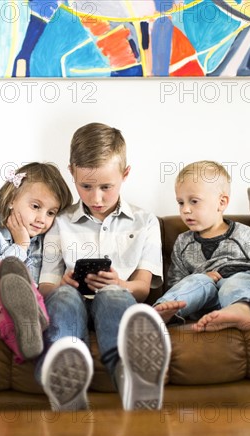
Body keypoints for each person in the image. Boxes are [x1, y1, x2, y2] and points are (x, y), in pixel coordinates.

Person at [36, 122, 175, 412]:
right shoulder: (59, 222)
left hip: (115, 302)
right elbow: (46, 287)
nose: (96, 198)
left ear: (125, 175)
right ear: (72, 172)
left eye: (106, 187)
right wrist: (63, 283)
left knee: (112, 295)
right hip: (70, 304)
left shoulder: (145, 222)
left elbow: (140, 289)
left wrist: (118, 284)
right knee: (62, 297)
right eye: (85, 186)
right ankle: (65, 375)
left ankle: (131, 378)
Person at [153, 160, 250, 332]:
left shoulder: (244, 235)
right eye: (181, 202)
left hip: (246, 287)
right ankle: (160, 312)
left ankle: (241, 310)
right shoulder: (182, 243)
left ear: (222, 202)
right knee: (197, 281)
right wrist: (202, 278)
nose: (185, 209)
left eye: (194, 201)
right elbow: (177, 281)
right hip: (207, 303)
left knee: (235, 282)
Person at [0, 162, 73, 363]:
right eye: (36, 207)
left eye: (51, 213)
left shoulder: (47, 242)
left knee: (10, 317)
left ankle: (27, 343)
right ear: (12, 199)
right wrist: (20, 245)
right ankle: (29, 311)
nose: (42, 218)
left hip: (8, 312)